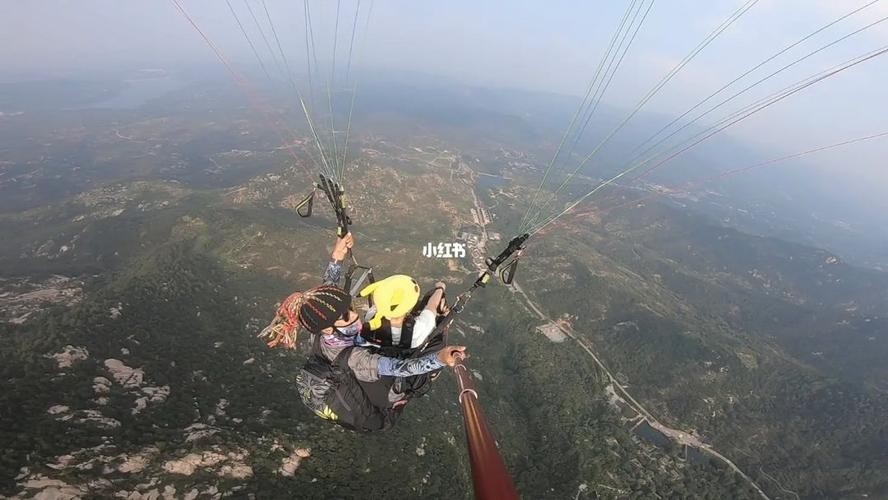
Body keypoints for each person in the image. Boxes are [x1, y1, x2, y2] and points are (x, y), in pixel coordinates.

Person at [260, 233, 466, 432]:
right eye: (348, 316)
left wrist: (337, 258)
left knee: (376, 321)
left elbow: (328, 292)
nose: (355, 314)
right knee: (420, 360)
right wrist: (439, 359)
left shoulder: (323, 332)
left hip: (346, 375)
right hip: (382, 408)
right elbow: (402, 368)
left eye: (349, 308)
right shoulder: (358, 359)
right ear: (329, 328)